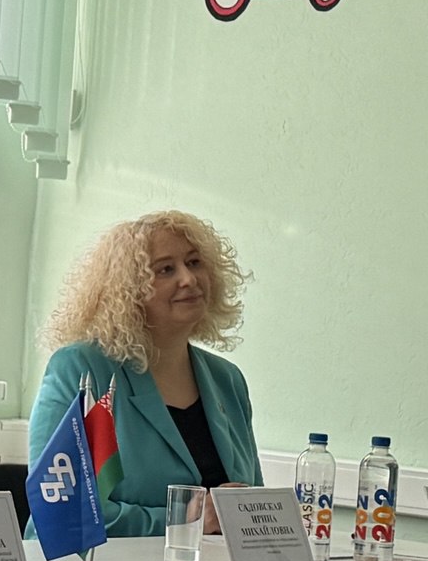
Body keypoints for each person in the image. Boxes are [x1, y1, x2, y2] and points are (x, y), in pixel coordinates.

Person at [26, 210, 261, 538]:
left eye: (194, 262)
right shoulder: (81, 368)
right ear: (128, 289)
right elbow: (60, 509)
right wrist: (185, 520)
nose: (188, 279)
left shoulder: (227, 379)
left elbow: (251, 499)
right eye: (166, 269)